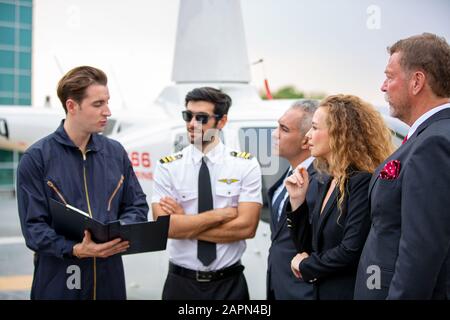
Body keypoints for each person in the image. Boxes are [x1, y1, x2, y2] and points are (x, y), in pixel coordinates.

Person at [17, 66, 149, 300]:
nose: (107, 111)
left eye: (107, 102)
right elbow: (34, 229)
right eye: (98, 104)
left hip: (110, 282)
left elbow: (137, 205)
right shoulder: (37, 158)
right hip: (60, 282)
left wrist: (121, 230)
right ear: (72, 106)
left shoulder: (116, 153)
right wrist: (75, 249)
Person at [354, 33, 450, 300]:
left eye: (389, 76)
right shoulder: (429, 136)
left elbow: (422, 250)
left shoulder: (435, 143)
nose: (383, 87)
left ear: (417, 81)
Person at [152, 87, 262, 300]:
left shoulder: (245, 165)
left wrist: (184, 223)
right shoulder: (168, 167)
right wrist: (219, 216)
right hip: (181, 285)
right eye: (188, 116)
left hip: (229, 285)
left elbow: (247, 227)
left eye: (201, 118)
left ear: (221, 122)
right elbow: (164, 227)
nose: (192, 124)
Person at [286, 94, 394, 300]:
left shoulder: (362, 181)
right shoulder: (327, 180)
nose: (307, 135)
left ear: (339, 133)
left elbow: (350, 250)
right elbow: (308, 248)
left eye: (315, 128)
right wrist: (297, 201)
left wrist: (305, 265)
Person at [266, 100, 319, 300]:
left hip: (303, 291)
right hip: (278, 285)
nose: (274, 134)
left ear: (306, 140)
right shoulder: (287, 173)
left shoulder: (321, 181)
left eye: (284, 129)